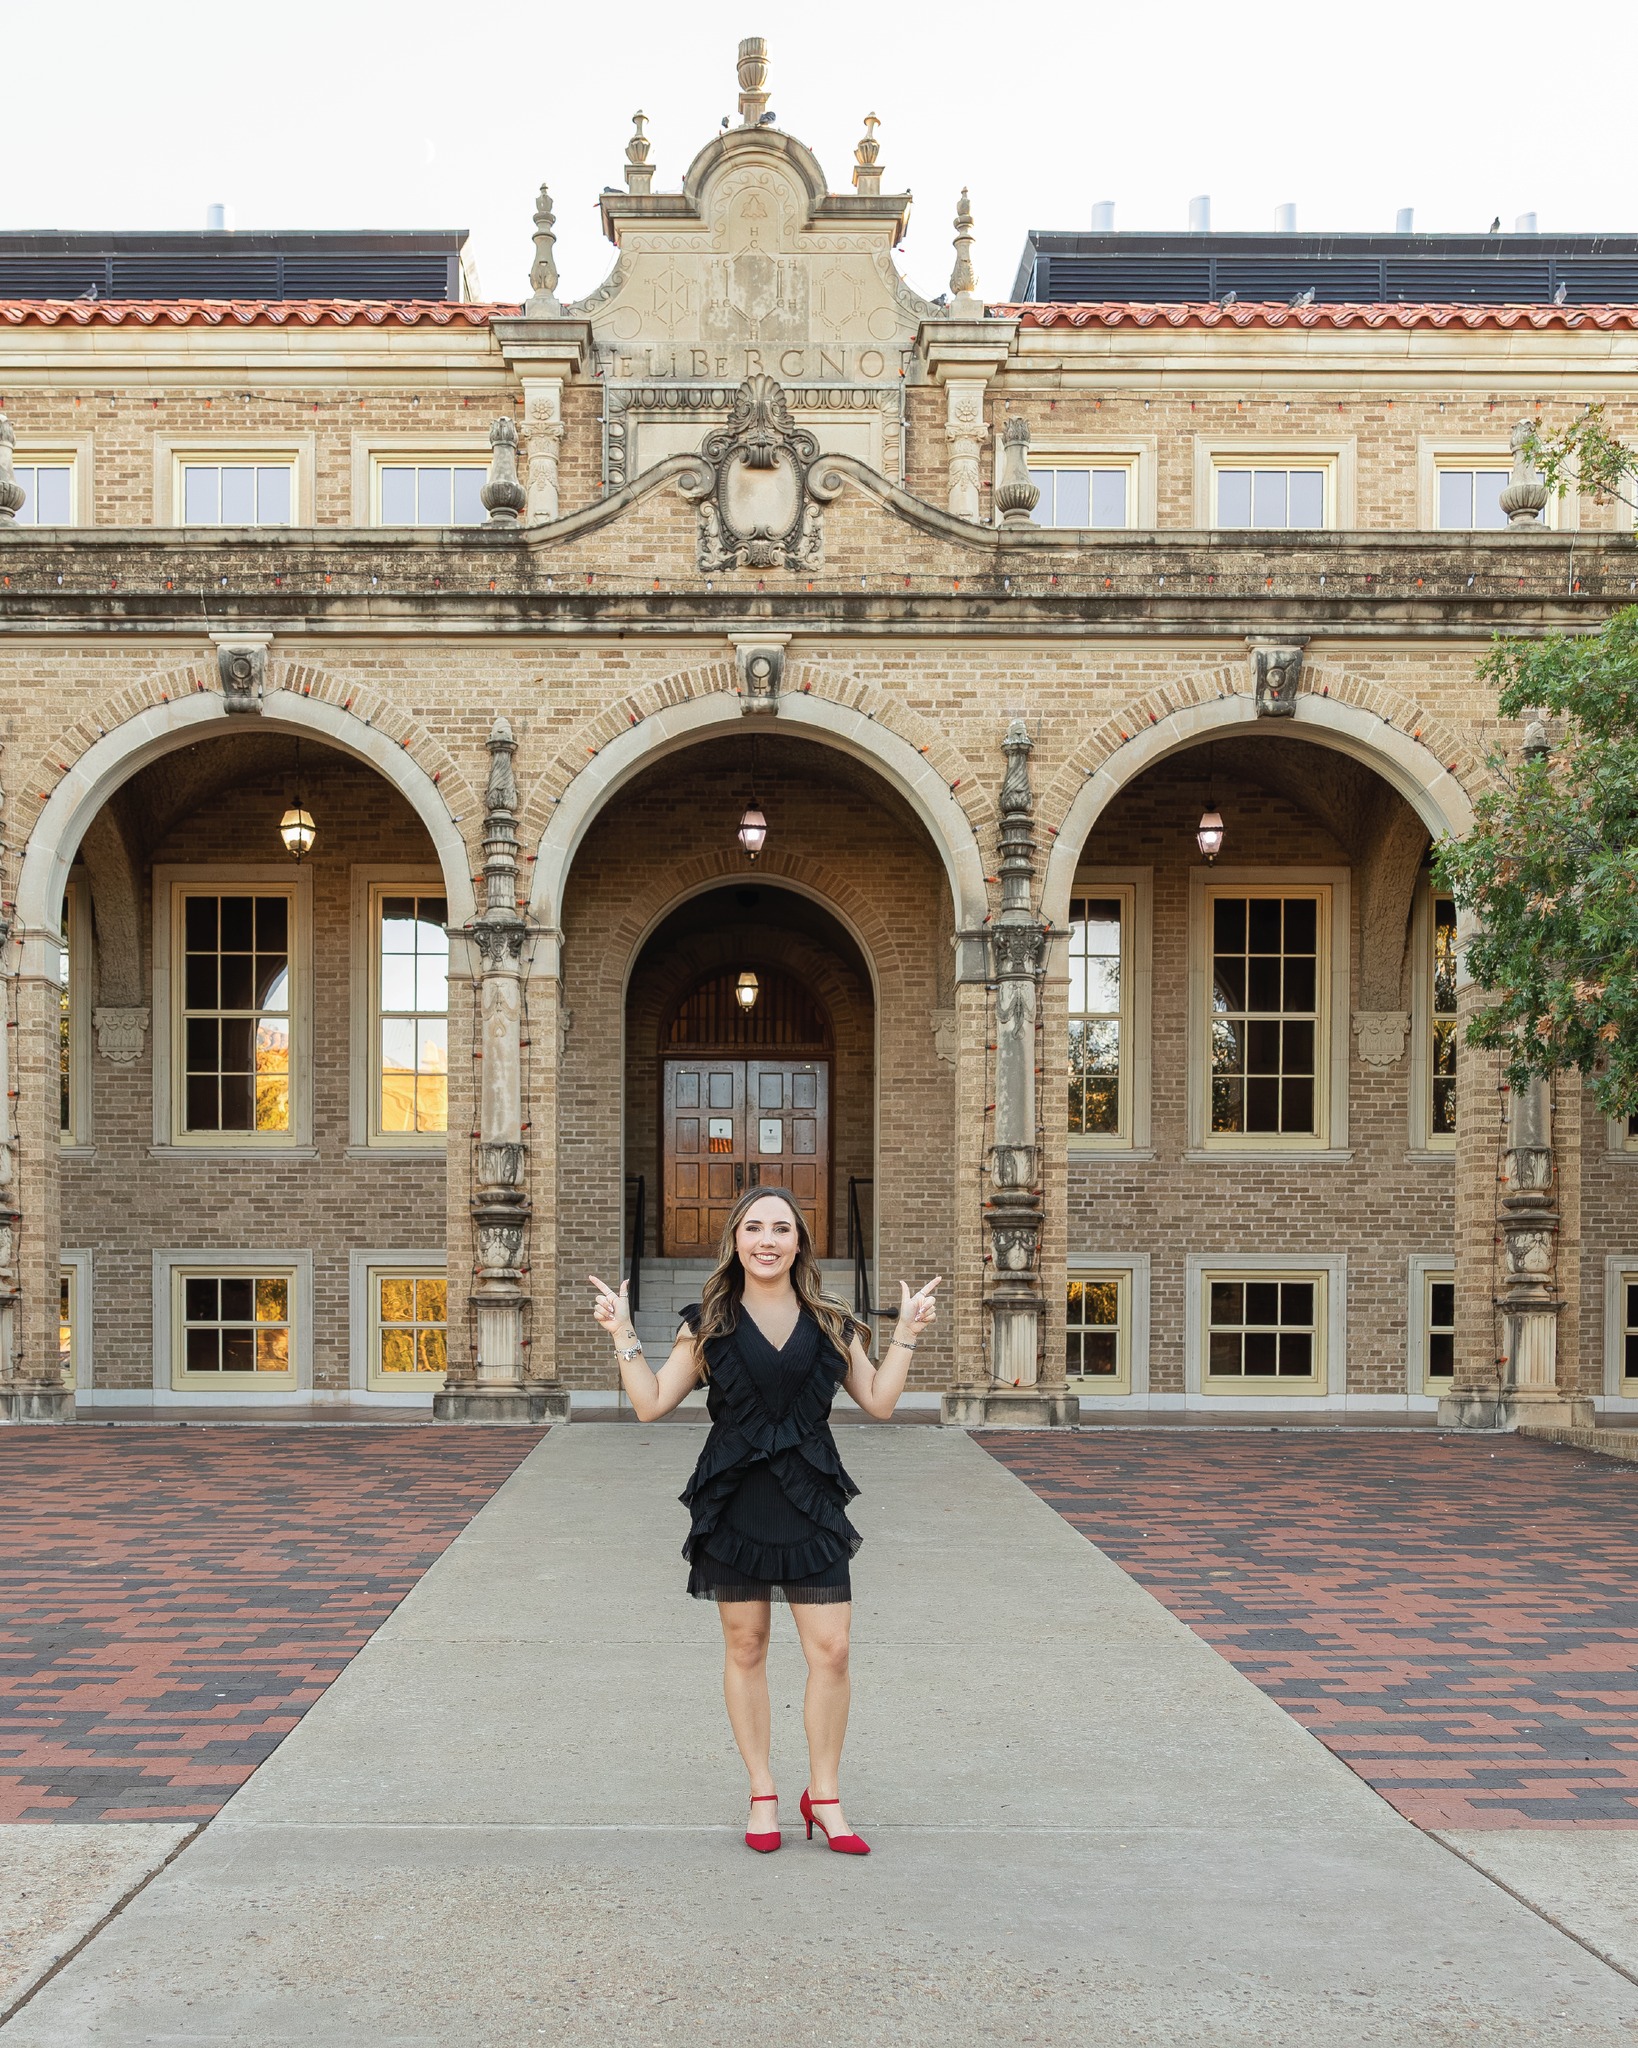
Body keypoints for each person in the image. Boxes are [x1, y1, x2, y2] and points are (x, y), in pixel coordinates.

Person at [589, 1186, 939, 1858]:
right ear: (737, 1241)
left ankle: (825, 1796)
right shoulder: (710, 1322)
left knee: (831, 1651)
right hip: (737, 1494)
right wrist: (622, 1334)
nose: (768, 1240)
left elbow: (881, 1402)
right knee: (746, 1647)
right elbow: (652, 1404)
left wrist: (906, 1337)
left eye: (781, 1227)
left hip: (810, 1495)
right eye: (754, 1228)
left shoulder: (832, 1321)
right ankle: (762, 1792)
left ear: (800, 1241)